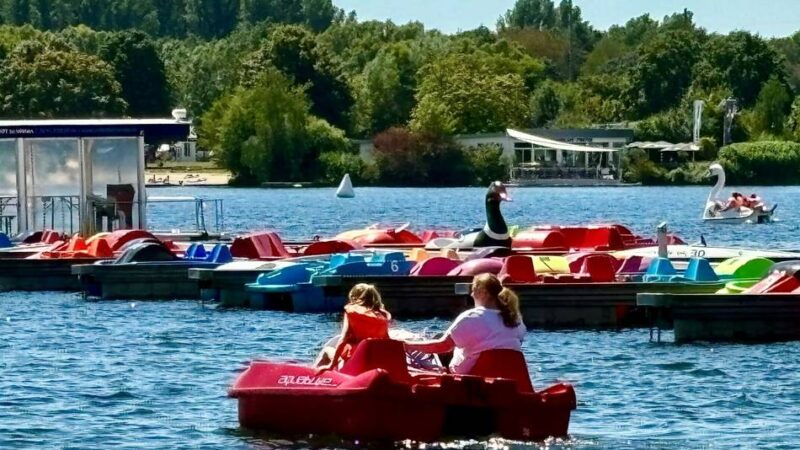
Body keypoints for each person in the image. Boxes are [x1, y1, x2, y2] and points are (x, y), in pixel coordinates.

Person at [401, 273, 526, 374]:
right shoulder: (516, 319)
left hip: (473, 378)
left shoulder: (473, 316)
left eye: (473, 290)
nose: (471, 294)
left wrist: (407, 345)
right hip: (512, 374)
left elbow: (442, 346)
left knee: (441, 351)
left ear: (482, 292)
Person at [316, 283, 392, 370]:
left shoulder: (351, 312)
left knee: (327, 350)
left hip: (355, 358)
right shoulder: (383, 316)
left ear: (354, 296)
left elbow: (343, 338)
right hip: (375, 358)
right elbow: (387, 339)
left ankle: (315, 376)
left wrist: (332, 364)